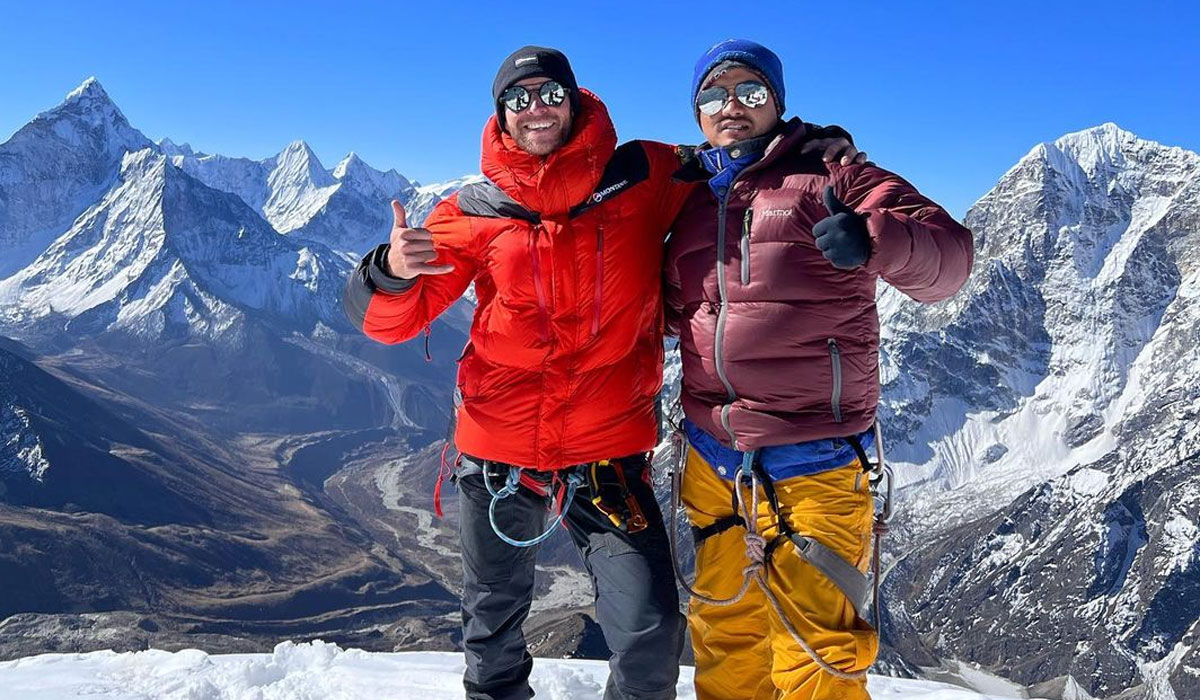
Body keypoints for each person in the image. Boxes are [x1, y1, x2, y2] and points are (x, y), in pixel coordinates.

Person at [343, 45, 863, 700]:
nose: (537, 109)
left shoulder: (643, 172)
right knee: (492, 633)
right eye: (519, 98)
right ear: (500, 114)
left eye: (549, 94)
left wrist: (819, 160)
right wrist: (388, 272)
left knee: (649, 630)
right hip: (497, 456)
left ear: (574, 98)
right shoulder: (470, 211)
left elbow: (737, 158)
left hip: (606, 457)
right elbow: (389, 323)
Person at [663, 40, 974, 700]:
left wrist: (876, 239)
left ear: (777, 101)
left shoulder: (835, 174)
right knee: (725, 639)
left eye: (750, 93)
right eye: (714, 96)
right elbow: (674, 312)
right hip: (715, 462)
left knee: (818, 659)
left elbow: (949, 262)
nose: (732, 108)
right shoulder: (690, 202)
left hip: (815, 462)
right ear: (696, 114)